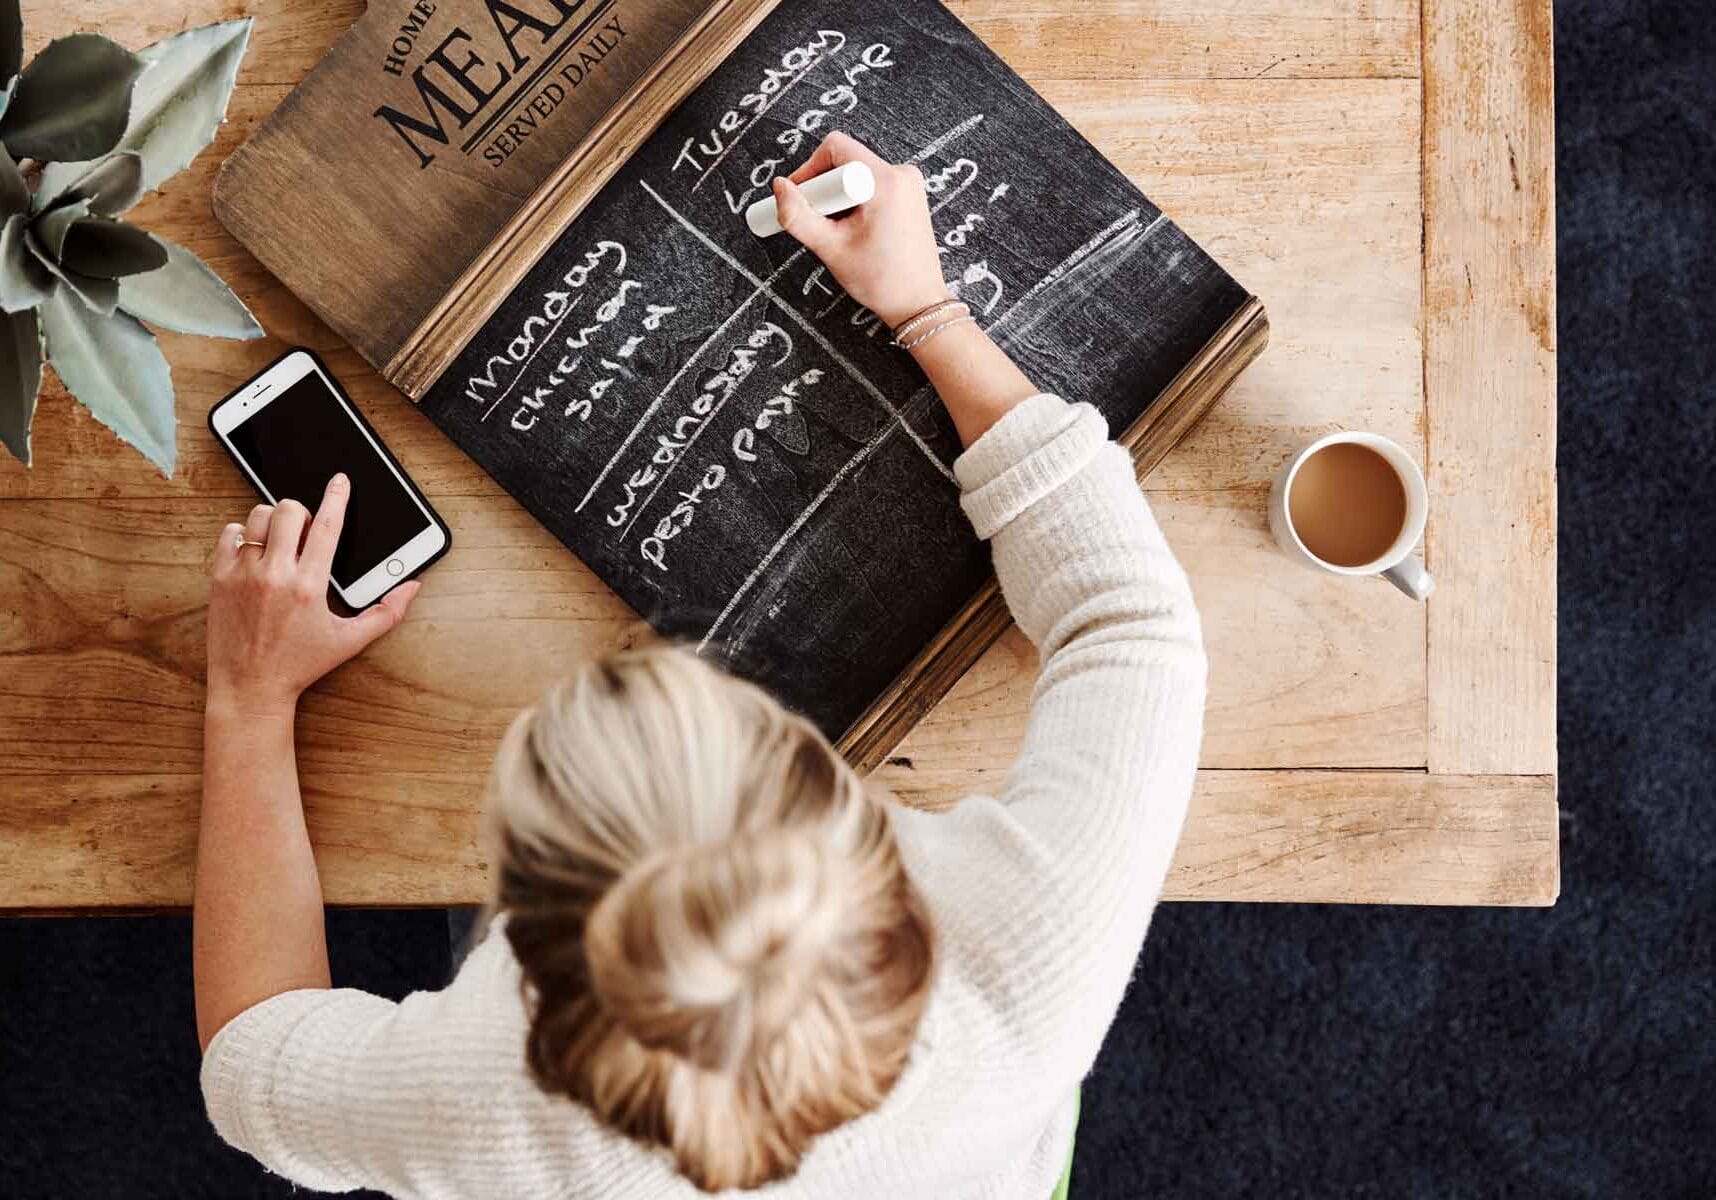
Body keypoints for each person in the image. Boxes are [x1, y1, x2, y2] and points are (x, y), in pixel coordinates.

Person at [196, 132, 1206, 1198]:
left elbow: (251, 1056)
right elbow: (1131, 623)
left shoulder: (499, 1113)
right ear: (854, 831)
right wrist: (927, 309)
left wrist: (247, 699)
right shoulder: (1032, 951)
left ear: (524, 953)